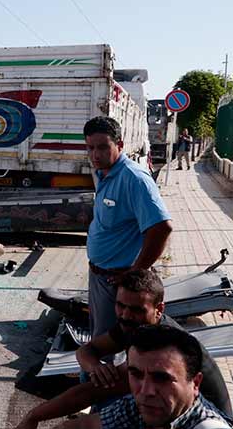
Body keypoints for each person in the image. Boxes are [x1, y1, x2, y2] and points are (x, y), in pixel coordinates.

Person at [15, 270, 231, 428]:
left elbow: (89, 392)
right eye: (120, 306)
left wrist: (33, 416)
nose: (125, 315)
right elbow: (86, 351)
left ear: (159, 309)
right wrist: (94, 367)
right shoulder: (134, 327)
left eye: (136, 309)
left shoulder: (162, 346)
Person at [83, 117, 172, 338]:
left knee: (108, 346)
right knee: (99, 335)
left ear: (119, 145)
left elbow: (162, 228)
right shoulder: (103, 173)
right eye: (91, 148)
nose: (95, 154)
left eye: (103, 147)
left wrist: (136, 272)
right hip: (99, 276)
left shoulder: (134, 178)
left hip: (118, 282)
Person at [59, 325, 233, 428]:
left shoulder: (207, 426)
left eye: (162, 378)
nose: (146, 390)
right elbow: (83, 425)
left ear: (195, 383)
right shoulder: (142, 406)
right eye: (136, 374)